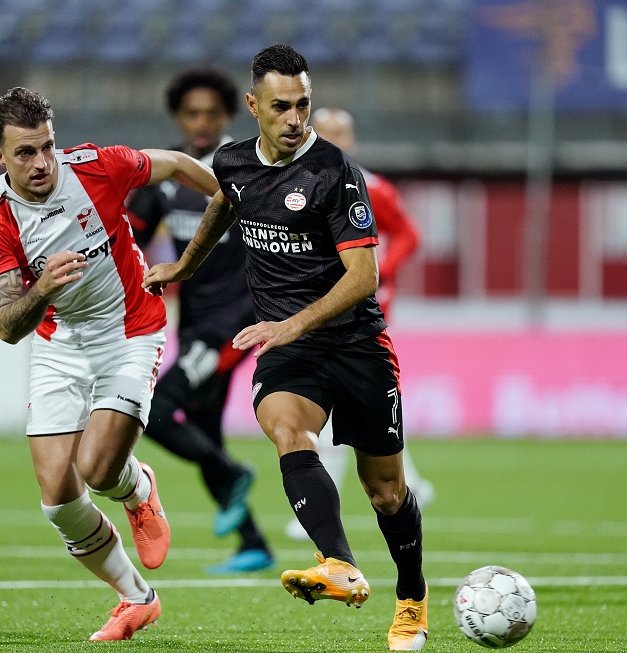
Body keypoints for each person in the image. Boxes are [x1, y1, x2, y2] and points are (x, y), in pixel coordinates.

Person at [145, 45, 429, 651]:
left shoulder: (335, 172)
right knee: (286, 429)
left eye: (303, 104)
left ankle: (412, 596)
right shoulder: (232, 162)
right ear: (254, 106)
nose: (295, 118)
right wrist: (185, 267)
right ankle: (338, 563)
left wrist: (293, 323)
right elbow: (224, 203)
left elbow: (364, 277)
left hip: (355, 344)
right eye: (281, 107)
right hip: (290, 350)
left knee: (386, 492)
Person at [0, 87, 219, 642]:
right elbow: (7, 326)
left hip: (130, 332)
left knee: (99, 470)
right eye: (25, 153)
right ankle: (137, 598)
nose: (42, 163)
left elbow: (177, 163)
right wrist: (42, 288)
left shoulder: (96, 167)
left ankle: (135, 486)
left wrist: (234, 200)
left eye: (47, 146)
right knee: (58, 501)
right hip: (59, 345)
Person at [127, 67, 274, 574]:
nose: (202, 122)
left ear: (228, 115)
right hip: (192, 324)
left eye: (212, 113)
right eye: (192, 113)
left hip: (233, 323)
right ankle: (253, 543)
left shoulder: (247, 167)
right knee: (205, 428)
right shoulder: (168, 174)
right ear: (179, 116)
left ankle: (233, 474)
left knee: (157, 410)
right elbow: (129, 241)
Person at [284, 107, 433, 541]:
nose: (333, 139)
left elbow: (408, 234)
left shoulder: (372, 186)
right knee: (358, 407)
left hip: (363, 310)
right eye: (325, 131)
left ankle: (318, 508)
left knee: (344, 405)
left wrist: (380, 272)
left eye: (340, 133)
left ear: (351, 140)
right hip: (318, 306)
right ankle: (411, 481)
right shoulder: (295, 185)